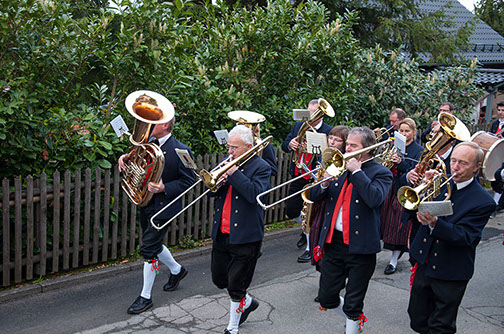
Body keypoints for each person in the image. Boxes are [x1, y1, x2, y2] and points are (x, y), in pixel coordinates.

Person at [309, 127, 393, 334]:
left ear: (367, 149)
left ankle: (353, 325)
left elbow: (375, 199)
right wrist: (324, 182)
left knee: (353, 303)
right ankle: (353, 322)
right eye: (347, 144)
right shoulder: (337, 167)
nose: (347, 148)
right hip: (334, 243)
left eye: (353, 145)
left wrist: (356, 172)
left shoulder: (381, 172)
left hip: (361, 246)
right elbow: (313, 196)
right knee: (327, 297)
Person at [408, 141, 496, 334]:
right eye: (453, 161)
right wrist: (423, 186)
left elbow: (465, 237)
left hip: (451, 269)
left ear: (476, 168)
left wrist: (435, 223)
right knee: (417, 319)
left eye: (462, 163)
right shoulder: (440, 182)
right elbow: (411, 213)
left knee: (441, 326)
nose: (454, 167)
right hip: (425, 261)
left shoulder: (483, 201)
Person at [118, 116, 195, 314]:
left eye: (154, 122)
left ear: (165, 125)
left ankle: (145, 297)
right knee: (154, 243)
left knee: (149, 248)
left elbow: (189, 183)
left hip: (164, 206)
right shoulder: (148, 144)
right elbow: (136, 162)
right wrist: (124, 158)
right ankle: (178, 271)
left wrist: (163, 188)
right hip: (146, 202)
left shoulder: (182, 150)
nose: (148, 125)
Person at [209, 125, 271, 334]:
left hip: (246, 234)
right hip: (222, 231)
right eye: (229, 147)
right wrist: (217, 182)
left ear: (247, 147)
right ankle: (247, 302)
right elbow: (212, 193)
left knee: (236, 285)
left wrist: (234, 174)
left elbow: (255, 194)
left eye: (234, 147)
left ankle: (232, 328)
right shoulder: (228, 163)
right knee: (219, 279)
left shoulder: (262, 167)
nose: (229, 152)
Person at [281, 99, 333, 258]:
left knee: (312, 213)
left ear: (322, 114)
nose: (310, 115)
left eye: (314, 112)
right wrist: (290, 144)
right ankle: (306, 231)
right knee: (291, 210)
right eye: (309, 111)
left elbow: (330, 154)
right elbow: (284, 145)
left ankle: (311, 249)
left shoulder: (328, 131)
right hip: (298, 174)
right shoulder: (298, 126)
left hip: (314, 177)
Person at [380, 118, 423, 275]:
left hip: (404, 189)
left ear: (413, 132)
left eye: (407, 131)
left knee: (398, 224)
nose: (404, 134)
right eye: (401, 131)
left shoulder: (418, 150)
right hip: (391, 186)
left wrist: (400, 162)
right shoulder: (395, 144)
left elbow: (414, 171)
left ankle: (393, 260)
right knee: (387, 222)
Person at [309, 125, 349, 267]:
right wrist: (323, 183)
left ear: (345, 144)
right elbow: (313, 194)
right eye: (330, 138)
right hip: (322, 207)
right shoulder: (325, 157)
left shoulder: (349, 163)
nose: (331, 142)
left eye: (337, 140)